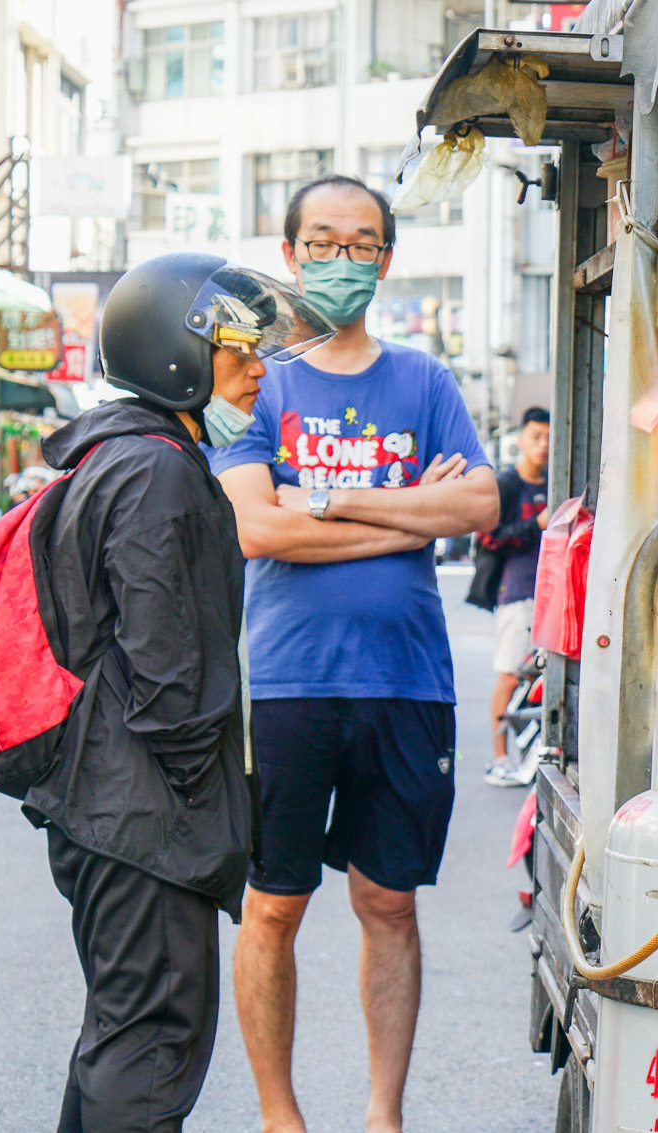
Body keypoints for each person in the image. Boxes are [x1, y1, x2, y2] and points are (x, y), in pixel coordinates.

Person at [212, 174, 499, 1133]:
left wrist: (326, 500)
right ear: (291, 255)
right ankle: (278, 1115)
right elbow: (256, 527)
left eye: (364, 243)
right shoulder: (258, 379)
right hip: (288, 682)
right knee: (275, 906)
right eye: (324, 243)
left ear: (386, 257)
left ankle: (384, 1116)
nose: (344, 260)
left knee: (388, 903)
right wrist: (405, 513)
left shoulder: (424, 380)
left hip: (407, 682)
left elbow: (476, 507)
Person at [24, 252, 333, 1131]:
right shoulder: (157, 469)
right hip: (146, 823)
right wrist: (208, 808)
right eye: (234, 346)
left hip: (111, 809)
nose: (254, 367)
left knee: (121, 1038)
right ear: (173, 353)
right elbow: (171, 678)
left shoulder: (119, 457)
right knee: (151, 1049)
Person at [479, 406, 550, 787]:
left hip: (549, 592)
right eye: (536, 436)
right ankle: (499, 758)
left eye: (549, 437)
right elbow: (488, 537)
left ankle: (530, 756)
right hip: (516, 591)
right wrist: (533, 525)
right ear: (520, 439)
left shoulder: (557, 481)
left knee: (538, 677)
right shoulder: (507, 484)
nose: (543, 445)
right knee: (510, 674)